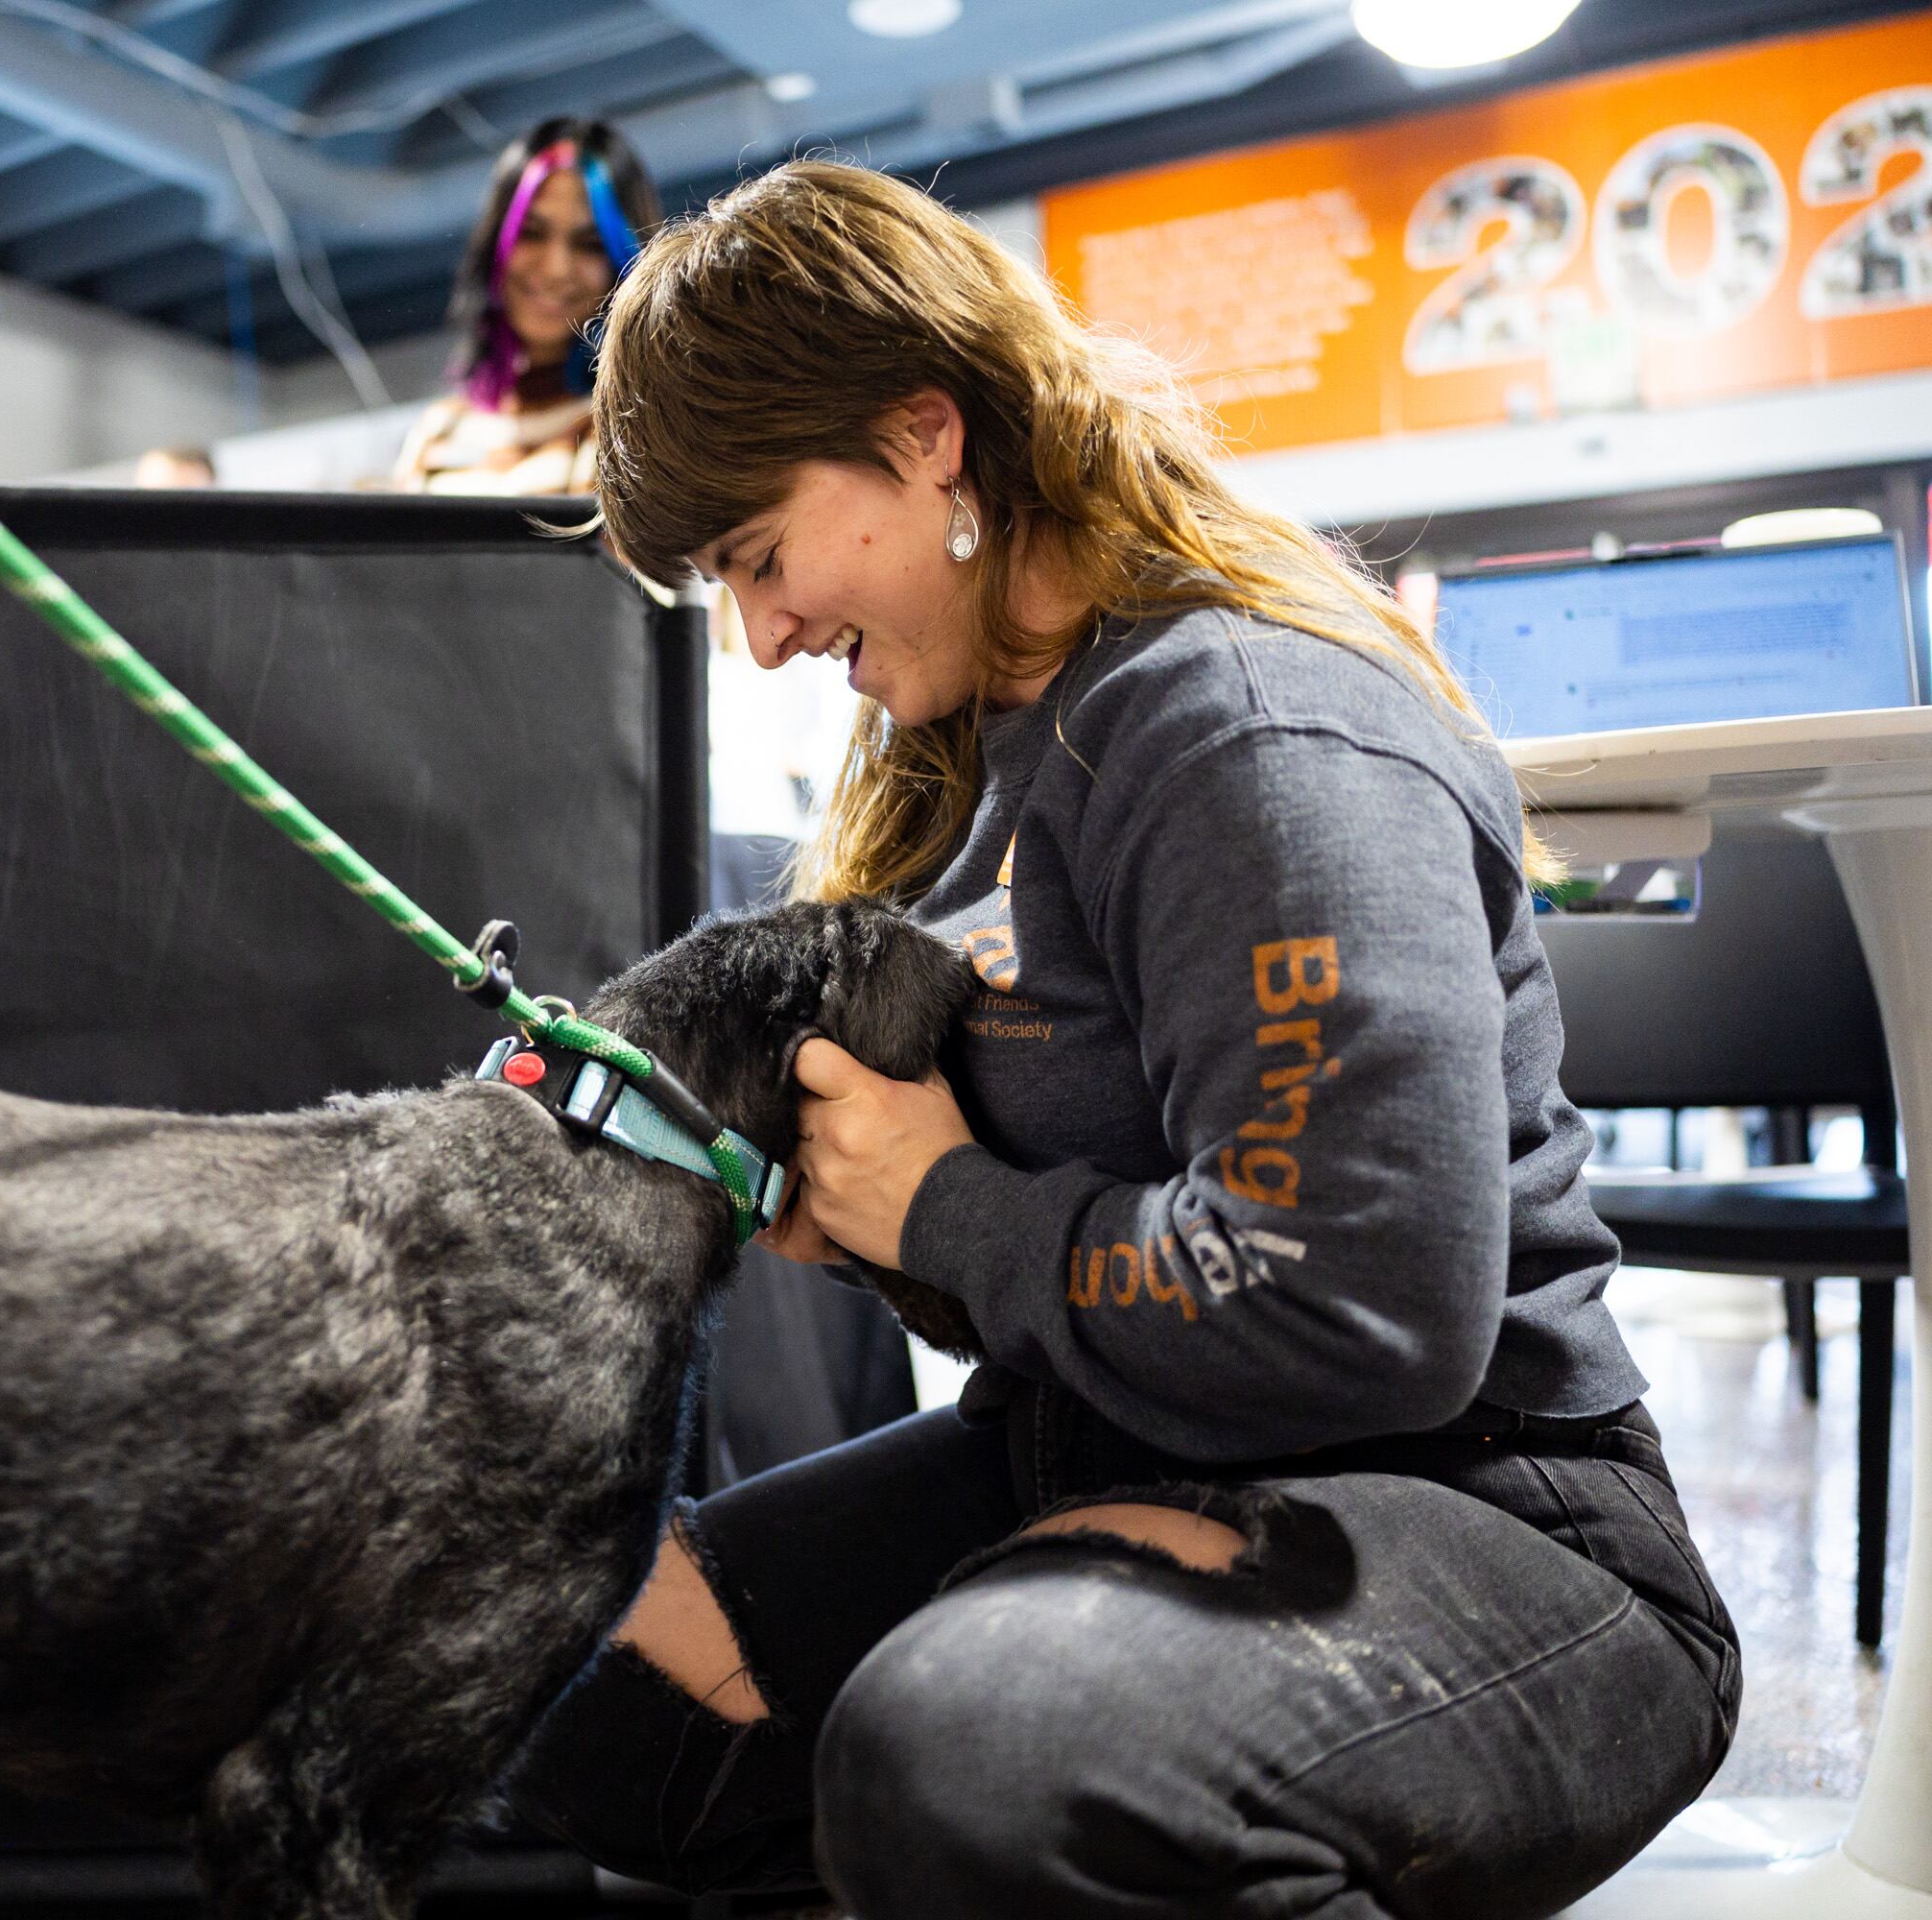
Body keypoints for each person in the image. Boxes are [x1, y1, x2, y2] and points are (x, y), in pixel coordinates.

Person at [504, 160, 1737, 1919]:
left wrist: (944, 1212)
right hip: (1106, 1450)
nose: (761, 634)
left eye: (760, 555)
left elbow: (1358, 1303)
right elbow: (1058, 1254)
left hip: (1500, 1527)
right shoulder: (978, 756)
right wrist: (866, 1217)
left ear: (925, 435)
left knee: (976, 1763)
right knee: (576, 1688)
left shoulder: (1243, 731)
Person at [393, 117, 658, 495]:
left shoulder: (637, 429)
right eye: (531, 234)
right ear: (494, 245)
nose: (555, 269)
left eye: (590, 244)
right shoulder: (439, 430)